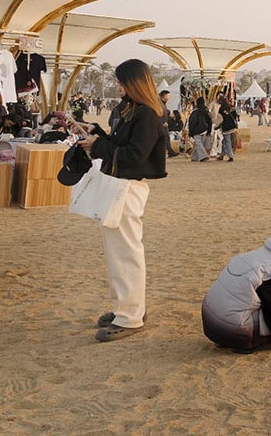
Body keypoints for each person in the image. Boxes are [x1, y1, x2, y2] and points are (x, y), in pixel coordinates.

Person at [74, 59, 168, 342]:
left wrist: (98, 145)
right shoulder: (132, 110)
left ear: (133, 83)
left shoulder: (147, 114)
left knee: (126, 254)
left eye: (121, 82)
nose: (118, 86)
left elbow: (134, 155)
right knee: (118, 254)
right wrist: (96, 133)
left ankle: (131, 316)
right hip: (120, 186)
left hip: (128, 189)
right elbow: (121, 145)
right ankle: (126, 309)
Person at [187, 97, 214, 162]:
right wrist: (209, 130)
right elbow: (210, 121)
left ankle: (204, 156)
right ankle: (194, 157)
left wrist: (190, 133)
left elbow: (192, 123)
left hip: (197, 131)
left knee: (199, 144)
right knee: (198, 144)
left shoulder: (195, 112)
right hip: (205, 130)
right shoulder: (207, 111)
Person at [159, 89, 180, 158]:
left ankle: (170, 151)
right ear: (163, 96)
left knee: (166, 138)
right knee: (163, 138)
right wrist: (162, 122)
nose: (169, 97)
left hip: (165, 124)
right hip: (161, 124)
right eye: (167, 96)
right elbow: (158, 113)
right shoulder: (159, 104)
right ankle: (168, 151)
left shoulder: (163, 104)